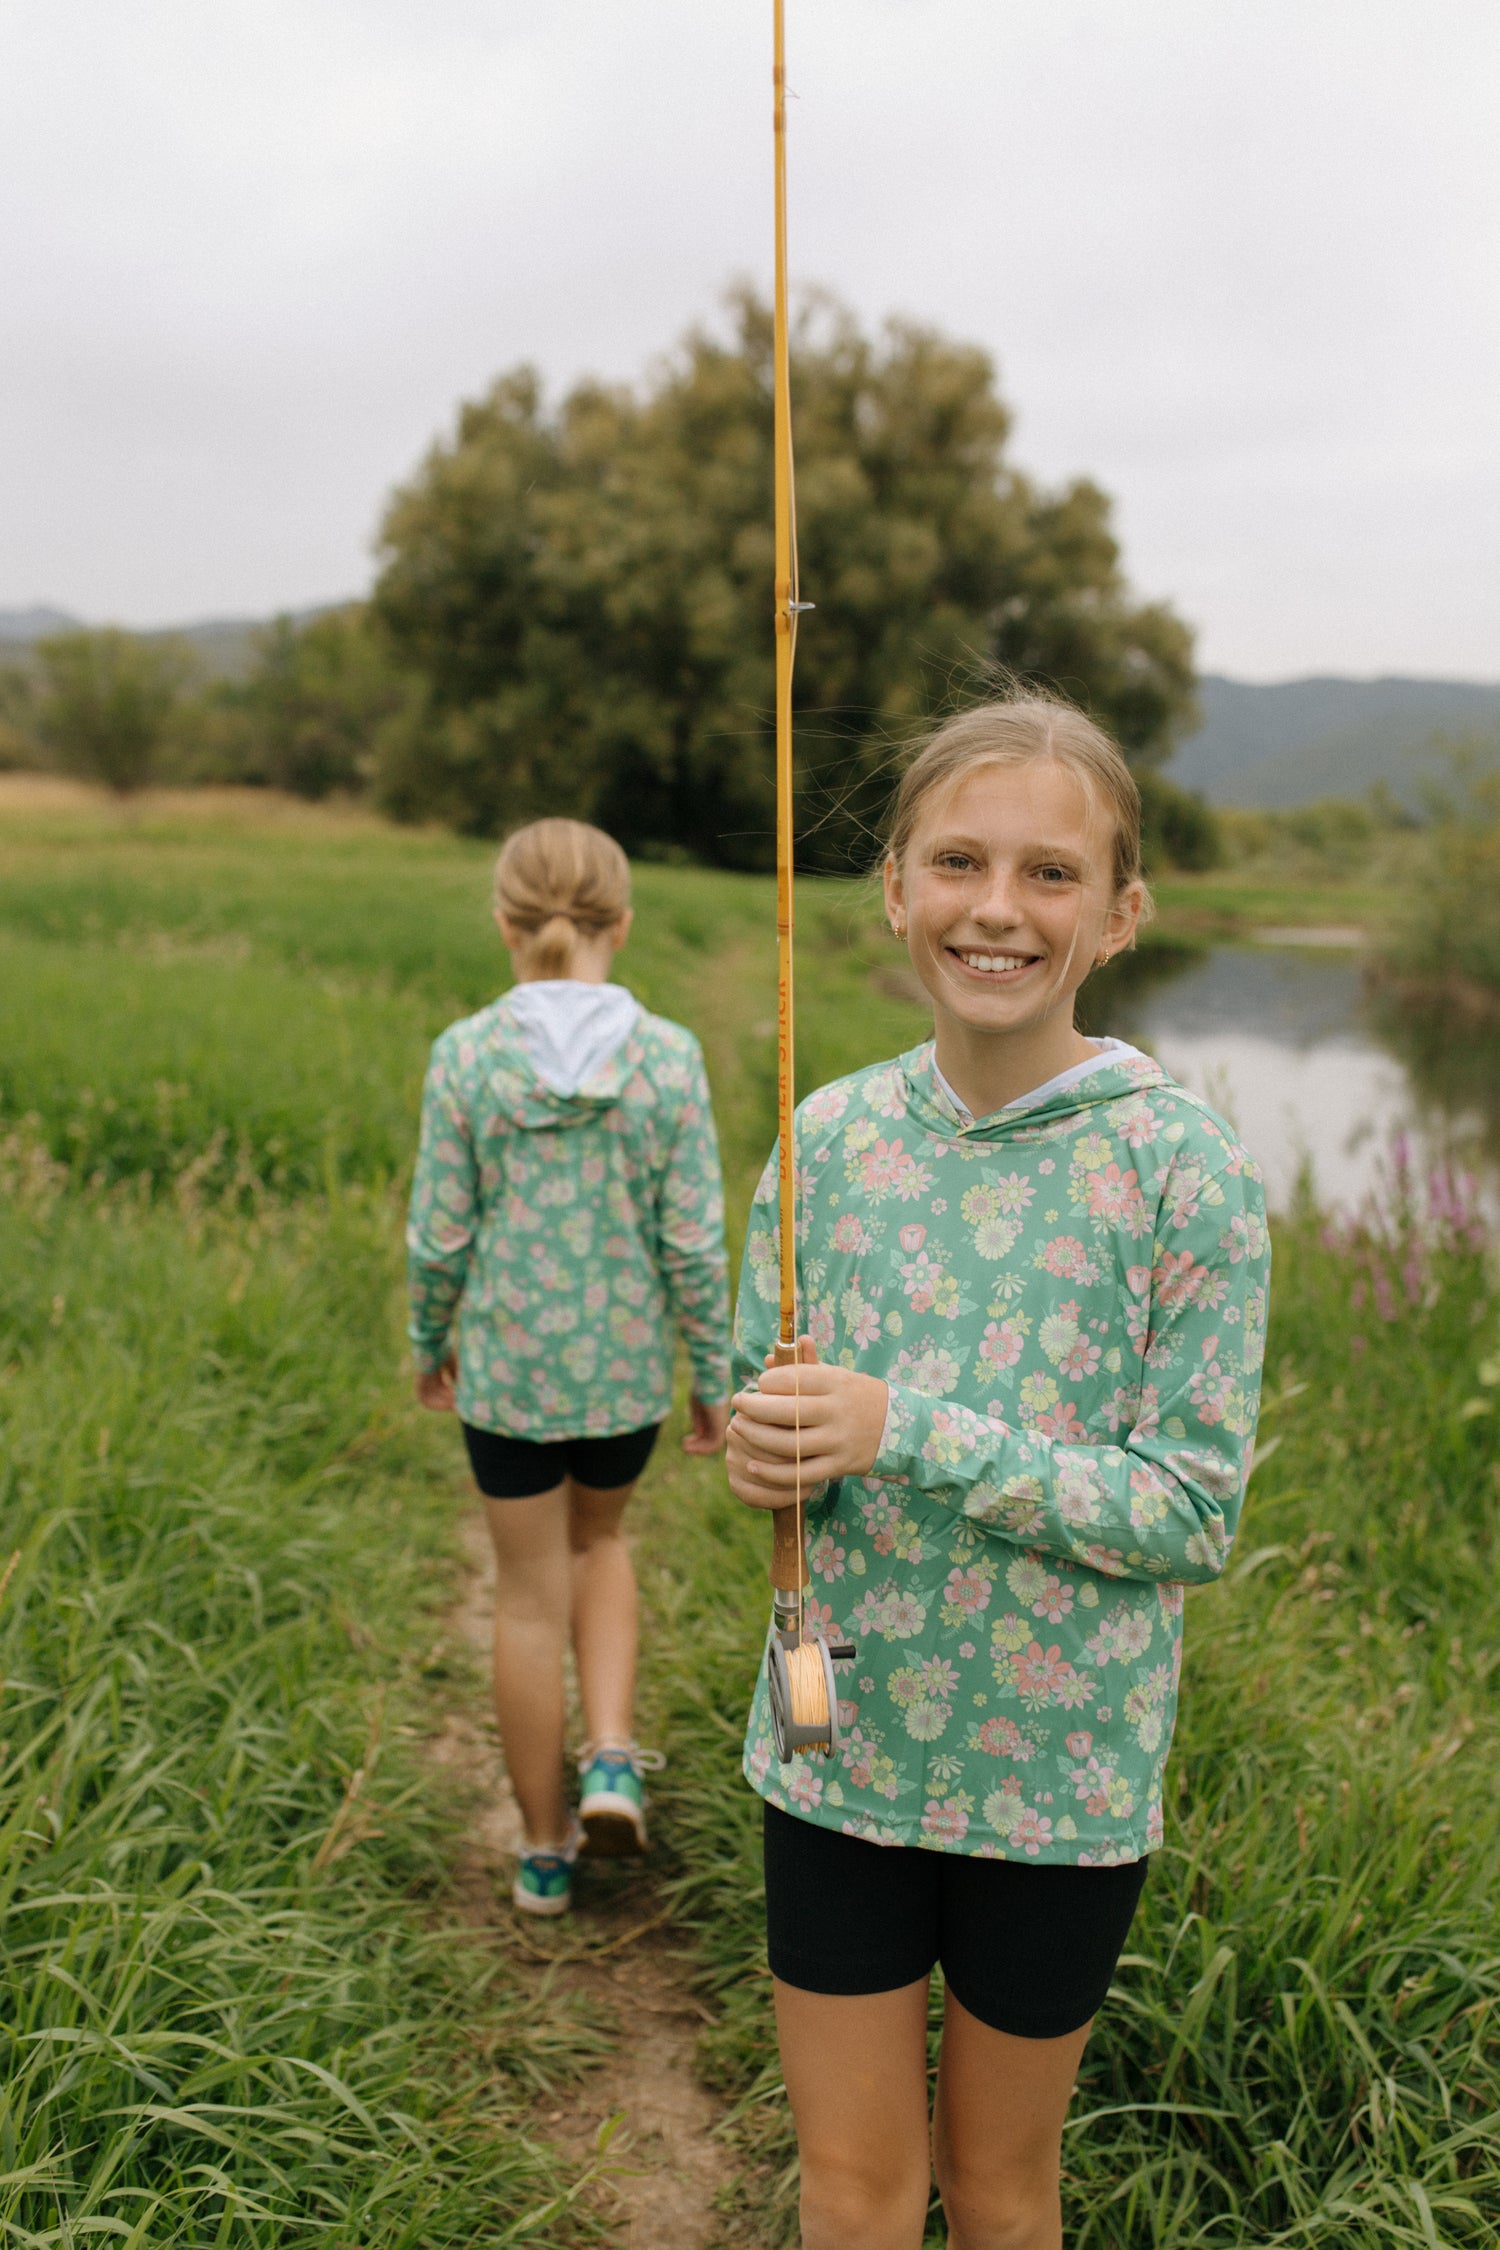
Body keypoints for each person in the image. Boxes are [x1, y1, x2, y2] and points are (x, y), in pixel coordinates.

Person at [727, 697, 1270, 2250]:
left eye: (1049, 872)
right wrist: (773, 1449)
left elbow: (1188, 1509)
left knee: (1004, 2184)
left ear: (1119, 912)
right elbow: (777, 1451)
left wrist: (913, 1430)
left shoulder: (1187, 1169)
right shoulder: (822, 1138)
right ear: (895, 884)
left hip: (1062, 1782)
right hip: (836, 1743)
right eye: (958, 859)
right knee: (850, 2183)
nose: (997, 908)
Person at [408, 818, 731, 1917]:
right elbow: (692, 1239)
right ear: (622, 924)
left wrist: (427, 1337)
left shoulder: (467, 1056)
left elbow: (439, 1235)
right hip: (624, 1376)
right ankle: (608, 1756)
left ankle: (544, 1850)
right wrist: (714, 1370)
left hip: (506, 1376)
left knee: (527, 1599)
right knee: (602, 1544)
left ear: (504, 923)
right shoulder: (669, 1058)